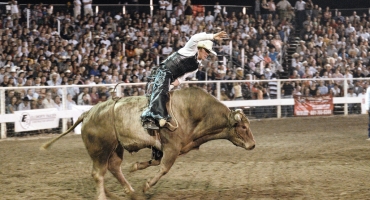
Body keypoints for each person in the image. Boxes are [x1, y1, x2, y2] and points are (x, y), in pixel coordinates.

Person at [141, 31, 228, 129]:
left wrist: (170, 86)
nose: (207, 54)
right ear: (200, 48)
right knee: (161, 91)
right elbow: (195, 37)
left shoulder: (195, 67)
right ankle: (148, 119)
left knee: (166, 94)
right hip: (163, 71)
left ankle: (163, 118)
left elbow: (180, 79)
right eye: (206, 51)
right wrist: (212, 36)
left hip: (171, 78)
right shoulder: (190, 49)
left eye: (209, 52)